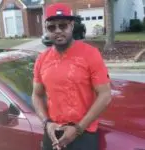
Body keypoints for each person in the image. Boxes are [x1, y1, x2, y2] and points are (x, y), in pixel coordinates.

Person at [32, 3, 111, 150]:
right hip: (53, 132)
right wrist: (46, 123)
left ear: (72, 26)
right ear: (46, 30)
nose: (58, 31)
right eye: (52, 27)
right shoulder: (42, 59)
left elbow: (105, 94)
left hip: (83, 132)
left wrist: (78, 129)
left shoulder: (90, 54)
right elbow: (36, 95)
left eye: (63, 26)